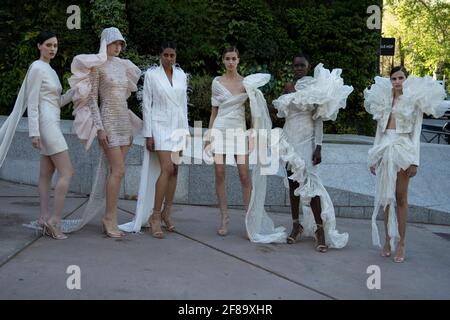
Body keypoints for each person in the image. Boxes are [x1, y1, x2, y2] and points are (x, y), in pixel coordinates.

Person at [62, 27, 142, 237]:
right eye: (114, 43)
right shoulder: (97, 67)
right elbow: (92, 100)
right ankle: (109, 218)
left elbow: (123, 96)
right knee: (118, 170)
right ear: (105, 44)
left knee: (115, 171)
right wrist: (99, 128)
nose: (118, 47)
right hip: (108, 122)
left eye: (120, 44)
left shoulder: (124, 66)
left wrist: (129, 127)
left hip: (124, 122)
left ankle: (110, 216)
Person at [365, 66, 448, 262]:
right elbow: (380, 131)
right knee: (386, 199)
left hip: (403, 149)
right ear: (390, 81)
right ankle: (387, 240)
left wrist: (414, 162)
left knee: (400, 197)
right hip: (385, 149)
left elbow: (416, 132)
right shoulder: (384, 101)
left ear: (406, 80)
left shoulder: (413, 102)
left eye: (401, 77)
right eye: (394, 78)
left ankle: (402, 243)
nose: (397, 81)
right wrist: (374, 157)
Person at [272, 54, 352, 251]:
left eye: (302, 65)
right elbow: (284, 114)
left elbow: (318, 119)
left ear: (308, 67)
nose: (298, 68)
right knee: (292, 184)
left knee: (312, 186)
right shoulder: (289, 86)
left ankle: (320, 229)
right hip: (290, 138)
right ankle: (296, 225)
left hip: (308, 142)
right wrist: (287, 95)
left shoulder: (315, 88)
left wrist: (319, 146)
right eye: (295, 65)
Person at [0, 31, 74, 240]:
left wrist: (73, 92)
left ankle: (43, 218)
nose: (52, 49)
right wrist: (34, 133)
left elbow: (56, 101)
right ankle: (54, 221)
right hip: (46, 124)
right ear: (39, 46)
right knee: (67, 172)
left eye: (55, 46)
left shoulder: (50, 70)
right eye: (48, 45)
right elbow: (32, 102)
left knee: (45, 173)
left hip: (53, 122)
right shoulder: (37, 68)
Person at [119, 42, 189, 238]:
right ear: (160, 55)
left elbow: (183, 104)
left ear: (176, 56)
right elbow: (147, 105)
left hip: (177, 127)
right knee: (166, 168)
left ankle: (167, 212)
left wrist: (185, 131)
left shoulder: (182, 76)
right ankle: (155, 216)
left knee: (175, 170)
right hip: (159, 126)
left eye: (172, 55)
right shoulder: (151, 75)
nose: (169, 58)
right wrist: (148, 134)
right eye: (166, 55)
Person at [205, 47, 254, 236]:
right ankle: (224, 218)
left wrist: (253, 133)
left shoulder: (246, 83)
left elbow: (255, 110)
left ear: (239, 60)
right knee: (219, 172)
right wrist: (209, 136)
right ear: (223, 61)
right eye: (227, 58)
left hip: (239, 131)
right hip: (220, 129)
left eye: (234, 58)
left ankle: (249, 220)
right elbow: (214, 110)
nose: (231, 62)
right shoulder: (217, 82)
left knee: (244, 175)